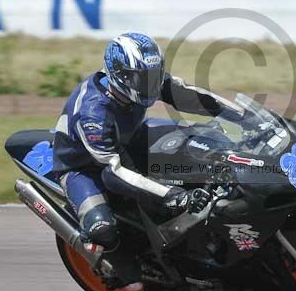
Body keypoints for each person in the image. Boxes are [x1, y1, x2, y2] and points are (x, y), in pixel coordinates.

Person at [52, 32, 241, 277]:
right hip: (86, 168)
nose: (151, 85)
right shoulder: (93, 114)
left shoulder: (138, 82)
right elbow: (114, 172)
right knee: (103, 230)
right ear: (120, 75)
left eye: (154, 76)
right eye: (143, 79)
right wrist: (175, 196)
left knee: (205, 145)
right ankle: (109, 262)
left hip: (131, 139)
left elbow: (191, 96)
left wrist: (242, 115)